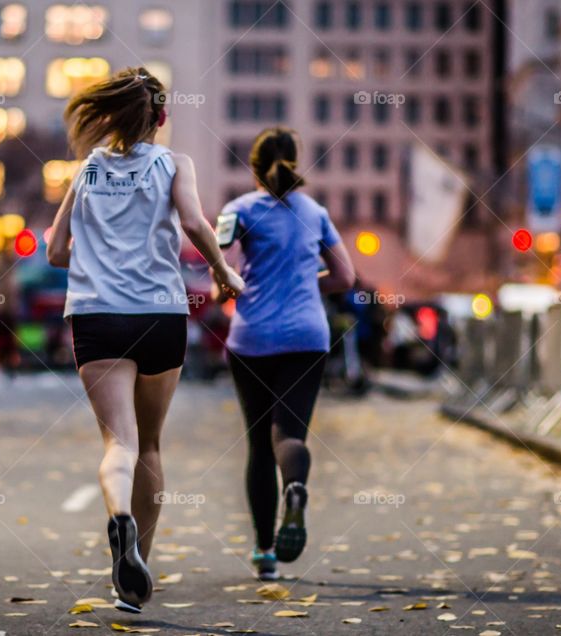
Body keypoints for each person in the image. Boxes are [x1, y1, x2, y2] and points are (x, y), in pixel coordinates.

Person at [47, 66, 244, 613]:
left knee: (119, 444)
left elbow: (54, 251)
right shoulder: (172, 163)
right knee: (151, 445)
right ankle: (135, 574)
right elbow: (195, 223)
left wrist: (92, 253)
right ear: (160, 117)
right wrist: (224, 274)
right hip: (159, 314)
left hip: (96, 317)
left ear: (110, 116)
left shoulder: (87, 168)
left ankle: (118, 519)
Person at [215, 127, 355, 581]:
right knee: (288, 434)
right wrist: (305, 283)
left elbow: (216, 263)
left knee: (258, 445)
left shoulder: (239, 210)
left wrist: (234, 286)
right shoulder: (314, 212)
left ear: (253, 167)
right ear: (296, 162)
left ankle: (264, 552)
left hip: (252, 338)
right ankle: (295, 485)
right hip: (306, 337)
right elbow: (345, 277)